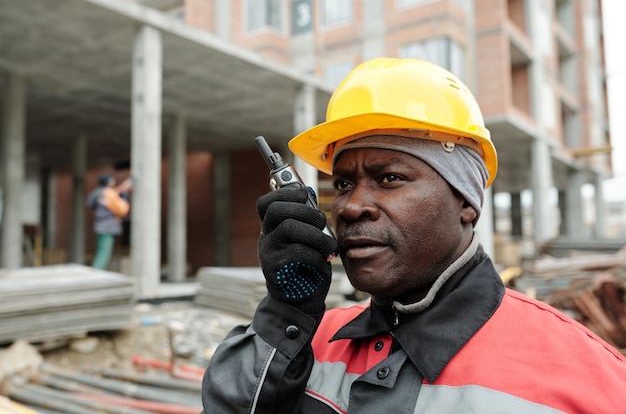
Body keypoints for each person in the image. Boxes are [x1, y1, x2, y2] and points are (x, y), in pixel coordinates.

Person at [201, 58, 626, 413]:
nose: (349, 206)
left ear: (465, 201)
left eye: (389, 177)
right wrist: (285, 315)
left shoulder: (587, 379)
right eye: (344, 184)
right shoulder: (312, 341)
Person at [86, 174, 131, 270]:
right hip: (108, 226)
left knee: (101, 249)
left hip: (99, 225)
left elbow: (90, 203)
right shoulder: (108, 193)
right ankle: (97, 272)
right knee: (104, 251)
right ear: (109, 182)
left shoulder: (96, 193)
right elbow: (122, 210)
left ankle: (96, 271)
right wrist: (124, 198)